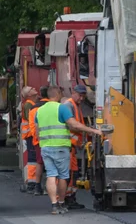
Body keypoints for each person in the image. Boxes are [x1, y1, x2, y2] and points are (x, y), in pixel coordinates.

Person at [36, 86, 102, 214]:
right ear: (58, 94)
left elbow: (38, 131)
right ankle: (61, 203)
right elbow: (74, 124)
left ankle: (54, 205)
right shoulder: (61, 108)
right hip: (60, 147)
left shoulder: (40, 110)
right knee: (63, 176)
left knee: (51, 175)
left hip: (45, 147)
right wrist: (94, 131)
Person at [63, 84, 88, 210]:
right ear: (73, 93)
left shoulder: (74, 105)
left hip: (73, 146)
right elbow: (72, 125)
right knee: (71, 174)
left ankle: (70, 197)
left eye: (83, 96)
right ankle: (67, 198)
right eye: (80, 95)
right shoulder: (69, 105)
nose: (81, 98)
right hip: (70, 145)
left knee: (73, 173)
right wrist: (87, 130)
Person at [19, 86, 41, 193]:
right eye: (32, 88)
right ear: (29, 94)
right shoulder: (28, 105)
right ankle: (31, 184)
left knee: (33, 159)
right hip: (31, 136)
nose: (34, 88)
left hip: (31, 135)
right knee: (32, 159)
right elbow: (31, 120)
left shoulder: (31, 104)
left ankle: (32, 183)